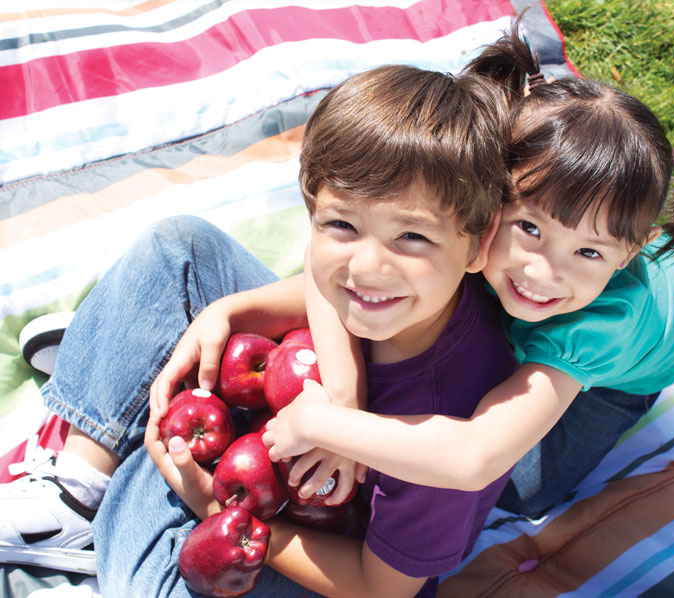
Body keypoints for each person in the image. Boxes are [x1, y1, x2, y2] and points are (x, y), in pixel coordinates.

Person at [0, 64, 517, 597]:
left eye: (410, 237)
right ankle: (74, 495)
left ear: (477, 247)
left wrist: (220, 509)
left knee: (155, 565)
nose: (367, 267)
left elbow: (379, 588)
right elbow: (324, 283)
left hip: (323, 542)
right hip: (283, 415)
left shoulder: (442, 427)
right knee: (179, 249)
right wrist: (225, 311)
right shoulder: (399, 290)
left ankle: (125, 399)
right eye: (342, 225)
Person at [264, 19, 674, 518]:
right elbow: (327, 257)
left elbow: (476, 457)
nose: (541, 272)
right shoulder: (471, 222)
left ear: (626, 256)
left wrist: (321, 426)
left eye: (588, 251)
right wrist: (343, 399)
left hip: (623, 372)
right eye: (529, 228)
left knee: (519, 489)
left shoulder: (602, 325)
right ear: (493, 196)